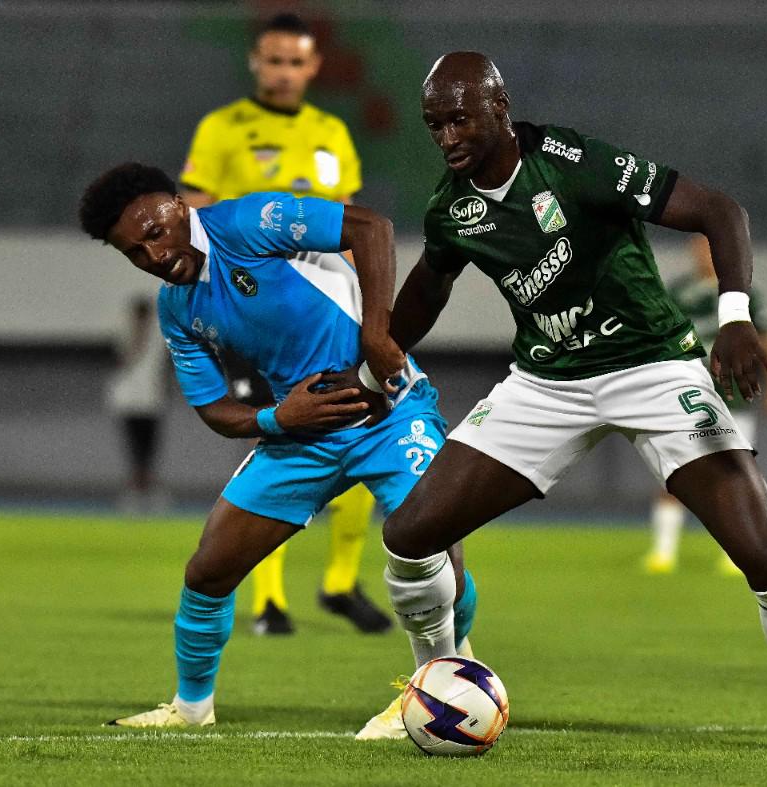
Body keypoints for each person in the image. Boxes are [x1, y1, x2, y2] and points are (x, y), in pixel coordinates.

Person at [375, 52, 767, 758]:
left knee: (762, 553)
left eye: (459, 117)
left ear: (500, 105)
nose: (447, 135)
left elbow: (719, 210)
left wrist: (735, 316)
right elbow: (431, 284)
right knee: (408, 534)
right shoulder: (453, 206)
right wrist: (380, 358)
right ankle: (439, 682)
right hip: (547, 382)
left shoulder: (573, 161)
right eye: (435, 123)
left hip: (653, 366)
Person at [77, 162, 478, 729]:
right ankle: (192, 711)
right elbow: (215, 409)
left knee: (427, 541)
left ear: (177, 203)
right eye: (134, 253)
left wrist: (376, 334)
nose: (154, 255)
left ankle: (441, 686)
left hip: (386, 408)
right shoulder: (177, 309)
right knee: (208, 571)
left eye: (155, 232)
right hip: (302, 431)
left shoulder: (247, 221)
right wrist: (277, 415)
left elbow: (370, 227)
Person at [179, 12, 388, 636]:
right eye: (275, 60)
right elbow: (191, 218)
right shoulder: (223, 130)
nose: (285, 72)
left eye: (297, 62)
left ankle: (339, 582)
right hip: (255, 317)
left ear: (314, 66)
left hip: (326, 316)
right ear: (256, 62)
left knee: (353, 430)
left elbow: (349, 224)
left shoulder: (331, 132)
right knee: (280, 441)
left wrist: (364, 311)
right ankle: (268, 598)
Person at [644, 235, 767, 574]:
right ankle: (663, 553)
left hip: (735, 396)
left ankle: (739, 553)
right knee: (675, 472)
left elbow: (766, 342)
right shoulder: (678, 292)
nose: (703, 255)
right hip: (690, 397)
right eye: (697, 249)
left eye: (710, 248)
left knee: (737, 473)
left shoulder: (743, 295)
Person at [107, 295, 171, 513]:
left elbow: (164, 367)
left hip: (151, 400)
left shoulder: (159, 337)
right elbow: (121, 361)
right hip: (128, 400)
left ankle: (149, 491)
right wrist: (135, 339)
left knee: (149, 449)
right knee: (134, 450)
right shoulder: (123, 336)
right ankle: (135, 492)